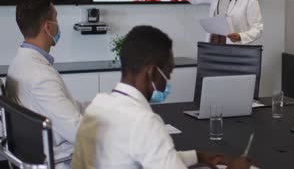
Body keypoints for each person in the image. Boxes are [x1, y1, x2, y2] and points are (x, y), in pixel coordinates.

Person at [71, 26, 253, 169]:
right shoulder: (144, 121)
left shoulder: (99, 104)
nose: (168, 82)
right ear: (151, 73)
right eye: (168, 72)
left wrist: (197, 156)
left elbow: (151, 156)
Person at [5, 0, 83, 167]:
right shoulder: (40, 77)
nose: (58, 24)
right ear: (48, 27)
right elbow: (78, 132)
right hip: (63, 159)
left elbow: (60, 107)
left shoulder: (19, 63)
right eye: (56, 18)